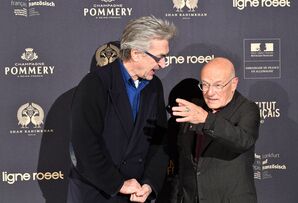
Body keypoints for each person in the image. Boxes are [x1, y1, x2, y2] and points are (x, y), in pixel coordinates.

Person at [67, 16, 176, 203]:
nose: (163, 64)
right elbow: (84, 146)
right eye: (159, 57)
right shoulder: (95, 84)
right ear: (136, 53)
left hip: (137, 195)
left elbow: (159, 141)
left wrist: (149, 184)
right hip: (97, 194)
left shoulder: (154, 86)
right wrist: (119, 184)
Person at [172, 57, 260, 203]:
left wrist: (206, 119)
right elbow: (185, 160)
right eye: (205, 85)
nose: (210, 93)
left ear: (233, 84)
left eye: (218, 85)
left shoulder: (247, 109)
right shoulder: (195, 108)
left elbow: (242, 141)